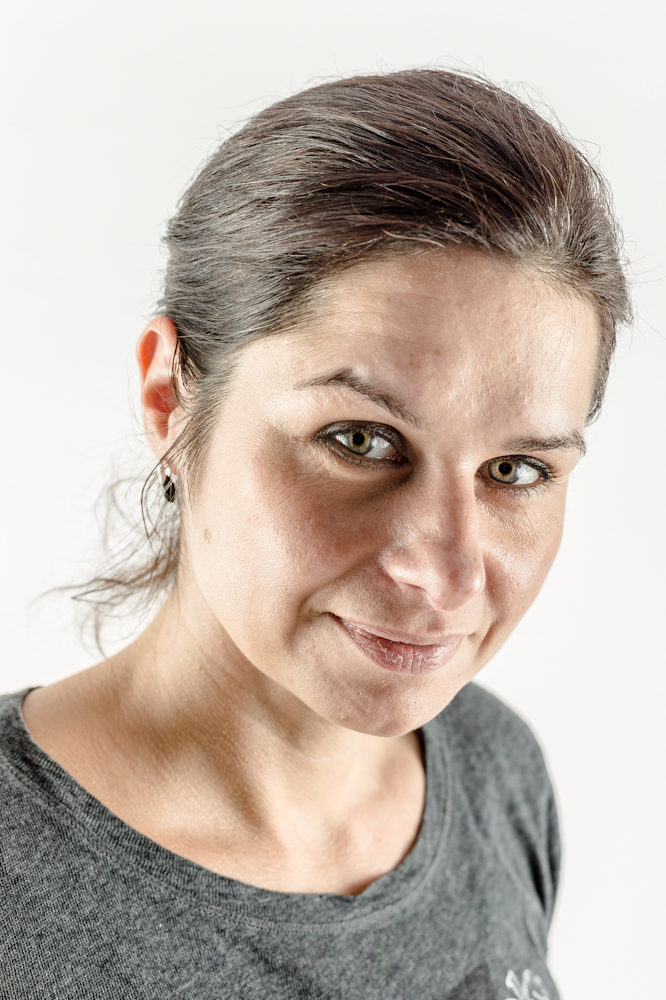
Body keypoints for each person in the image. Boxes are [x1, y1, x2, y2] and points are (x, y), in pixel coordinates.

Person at [0, 69, 630, 999]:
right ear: (170, 398)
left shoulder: (493, 770)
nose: (444, 574)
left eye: (516, 471)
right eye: (360, 441)